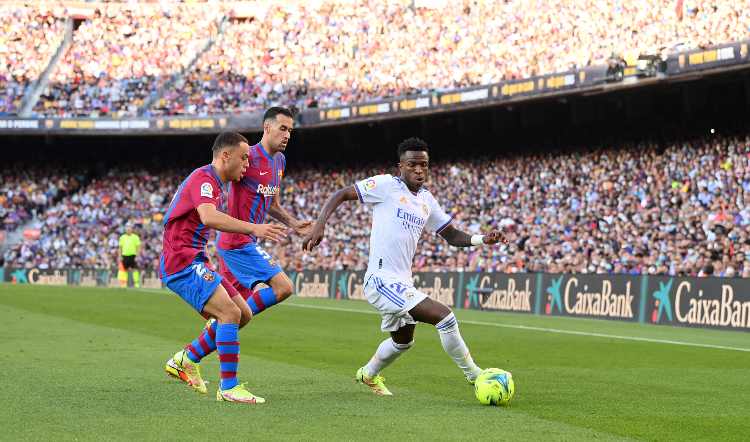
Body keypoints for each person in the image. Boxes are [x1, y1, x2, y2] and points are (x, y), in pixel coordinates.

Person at [303, 137, 509, 396]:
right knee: (444, 317)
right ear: (400, 166)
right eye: (413, 165)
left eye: (424, 165)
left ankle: (367, 374)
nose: (419, 170)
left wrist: (481, 239)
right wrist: (320, 223)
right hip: (380, 280)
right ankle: (475, 375)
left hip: (402, 281)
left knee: (403, 342)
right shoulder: (387, 185)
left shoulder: (427, 200)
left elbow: (452, 235)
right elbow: (341, 194)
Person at [160, 132, 286, 404]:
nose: (246, 165)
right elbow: (208, 216)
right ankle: (228, 386)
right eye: (243, 158)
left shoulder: (215, 183)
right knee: (228, 312)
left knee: (243, 313)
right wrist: (254, 227)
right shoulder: (204, 179)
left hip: (196, 259)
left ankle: (185, 359)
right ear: (225, 156)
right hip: (181, 262)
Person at [215, 107, 312, 322]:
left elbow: (272, 203)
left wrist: (293, 223)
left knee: (230, 316)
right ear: (267, 127)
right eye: (283, 128)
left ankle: (188, 355)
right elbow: (216, 177)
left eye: (290, 131)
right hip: (236, 242)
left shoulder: (280, 161)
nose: (287, 135)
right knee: (283, 288)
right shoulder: (246, 156)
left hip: (245, 241)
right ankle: (215, 328)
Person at [118, 224, 141, 288]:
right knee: (124, 270)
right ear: (125, 230)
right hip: (124, 255)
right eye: (127, 229)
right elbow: (120, 247)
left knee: (135, 270)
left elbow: (138, 247)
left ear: (132, 230)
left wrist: (137, 256)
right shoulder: (122, 237)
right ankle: (123, 284)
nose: (128, 230)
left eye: (129, 229)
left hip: (133, 255)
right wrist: (119, 256)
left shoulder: (135, 237)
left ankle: (136, 284)